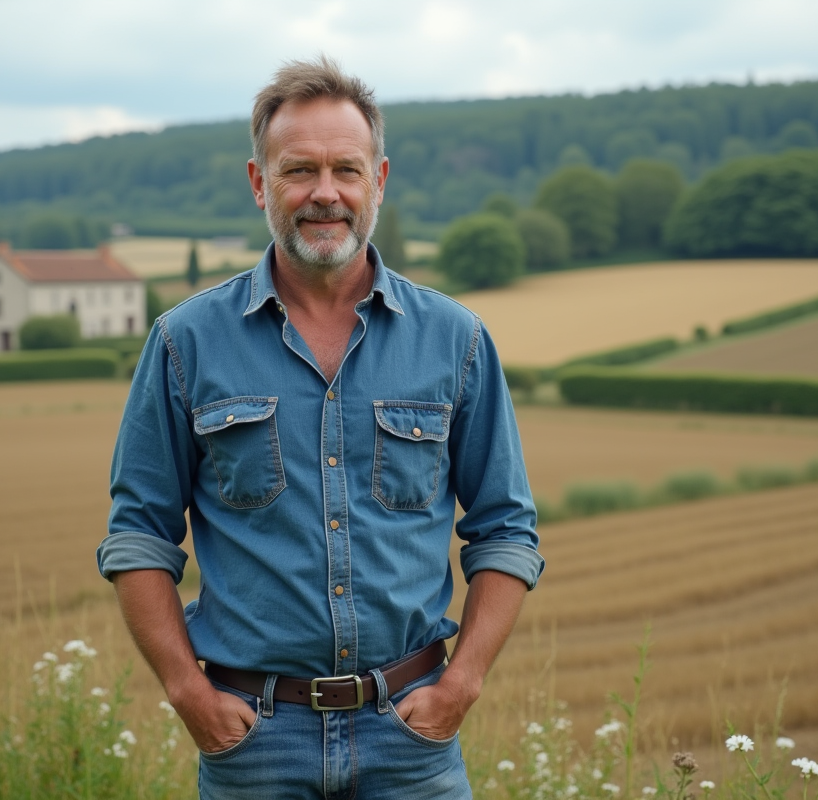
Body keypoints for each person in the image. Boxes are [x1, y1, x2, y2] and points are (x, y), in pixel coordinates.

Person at [97, 56, 543, 799]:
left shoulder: (456, 340)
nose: (325, 194)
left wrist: (461, 685)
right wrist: (186, 692)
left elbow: (506, 530)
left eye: (346, 169)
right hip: (253, 742)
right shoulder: (186, 342)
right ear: (258, 181)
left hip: (412, 741)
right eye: (299, 170)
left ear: (380, 179)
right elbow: (139, 533)